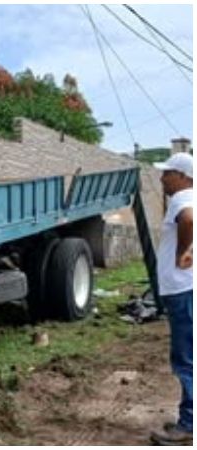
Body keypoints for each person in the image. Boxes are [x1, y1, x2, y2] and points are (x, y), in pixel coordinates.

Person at [150, 152, 193, 445]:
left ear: (182, 176)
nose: (162, 178)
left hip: (182, 290)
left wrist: (181, 253)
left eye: (167, 173)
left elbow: (188, 220)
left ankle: (189, 425)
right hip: (187, 288)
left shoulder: (182, 199)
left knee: (185, 358)